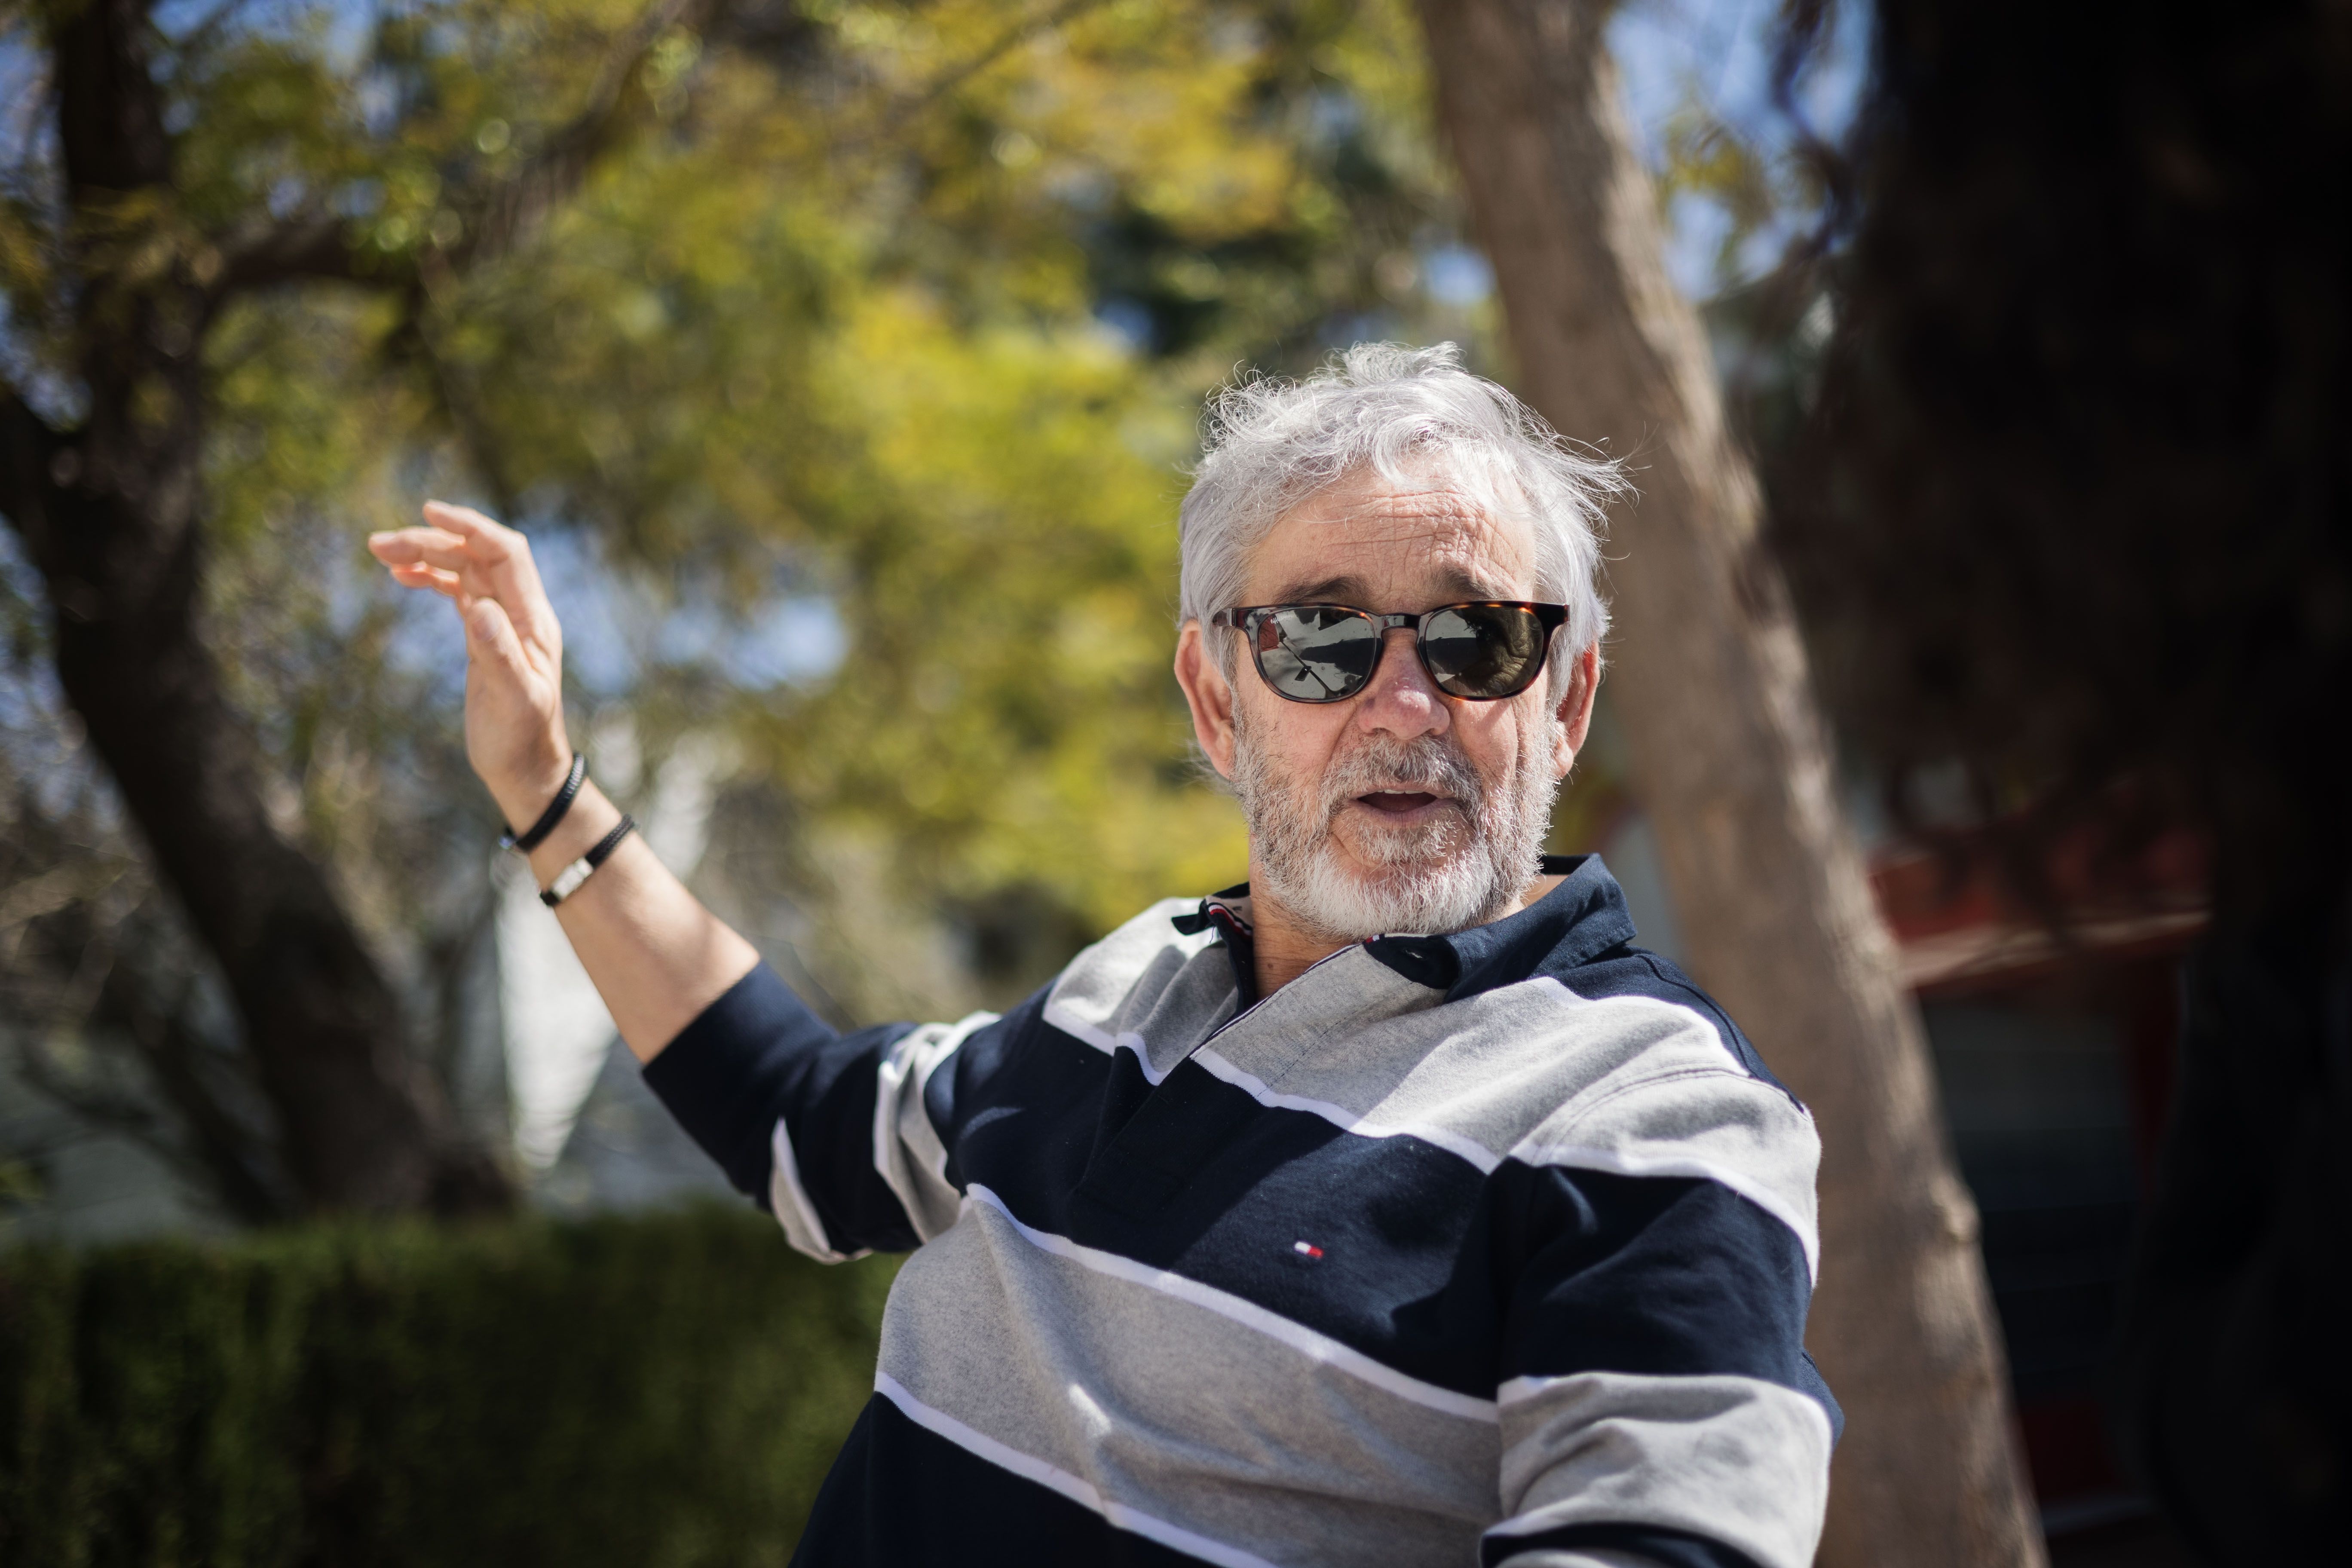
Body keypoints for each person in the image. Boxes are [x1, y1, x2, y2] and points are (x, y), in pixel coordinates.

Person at [370, 343, 1837, 1568]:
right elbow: (808, 1124)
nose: (1404, 699)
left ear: (1567, 700)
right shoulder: (1124, 989)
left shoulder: (1657, 1116)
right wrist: (545, 793)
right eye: (1319, 640)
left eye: (1475, 639)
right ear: (1216, 702)